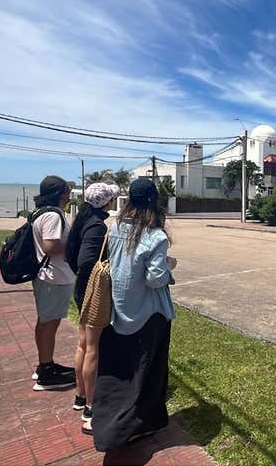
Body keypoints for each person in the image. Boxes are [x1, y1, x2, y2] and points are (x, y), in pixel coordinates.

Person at [92, 178, 176, 449]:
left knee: (119, 373)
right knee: (149, 373)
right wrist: (168, 270)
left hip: (118, 309)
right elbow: (154, 279)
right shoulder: (156, 236)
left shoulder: (115, 227)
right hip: (149, 314)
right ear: (154, 202)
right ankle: (138, 425)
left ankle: (105, 426)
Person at [64, 182, 120, 433]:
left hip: (81, 288)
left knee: (83, 343)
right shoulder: (97, 226)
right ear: (105, 202)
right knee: (93, 347)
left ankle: (80, 394)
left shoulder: (81, 221)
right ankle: (91, 404)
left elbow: (69, 256)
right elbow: (87, 260)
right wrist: (97, 277)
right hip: (92, 290)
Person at [31, 175, 77, 391]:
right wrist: (75, 246)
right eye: (67, 190)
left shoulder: (40, 213)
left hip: (47, 275)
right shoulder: (52, 215)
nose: (69, 194)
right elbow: (51, 246)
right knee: (50, 324)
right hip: (54, 276)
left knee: (45, 322)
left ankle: (45, 364)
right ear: (59, 193)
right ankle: (47, 372)